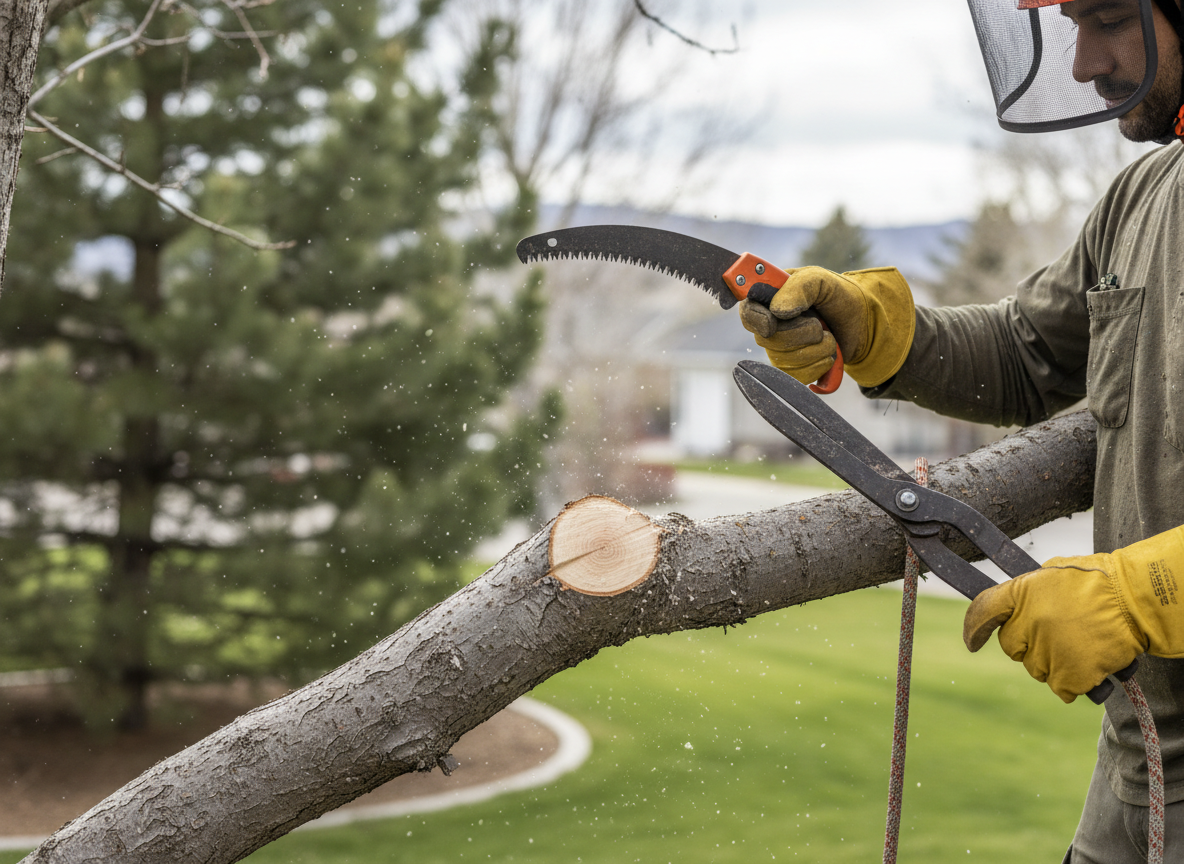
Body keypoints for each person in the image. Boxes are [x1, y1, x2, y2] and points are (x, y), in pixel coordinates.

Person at [740, 1, 1184, 860]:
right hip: (1139, 769)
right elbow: (1027, 353)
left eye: (1105, 20)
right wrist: (876, 331)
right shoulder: (1145, 194)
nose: (1085, 61)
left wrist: (1144, 593)